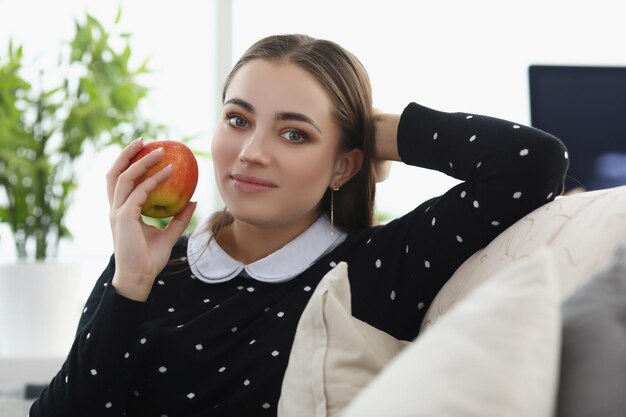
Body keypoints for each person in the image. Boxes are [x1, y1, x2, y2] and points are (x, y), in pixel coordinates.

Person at [30, 34, 569, 417]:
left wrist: (373, 131)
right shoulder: (148, 264)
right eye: (238, 120)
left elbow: (530, 163)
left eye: (294, 135)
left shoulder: (371, 268)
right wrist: (131, 282)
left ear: (344, 165)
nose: (251, 153)